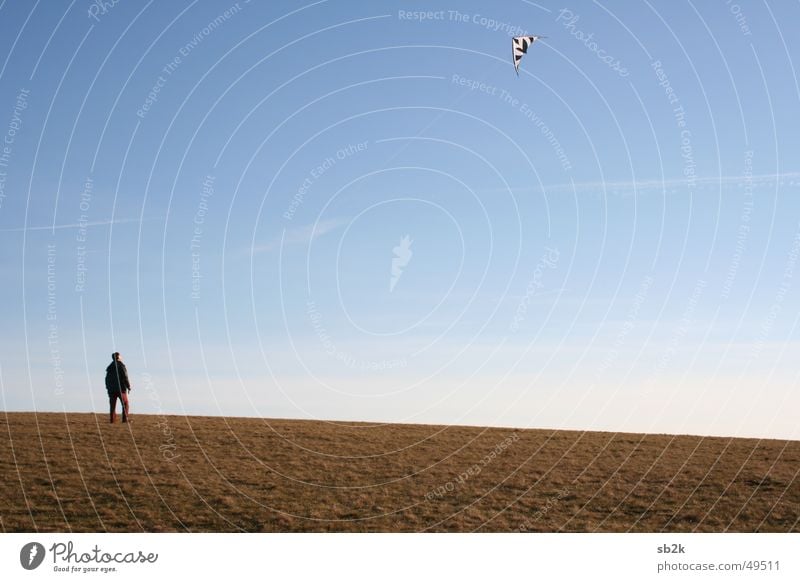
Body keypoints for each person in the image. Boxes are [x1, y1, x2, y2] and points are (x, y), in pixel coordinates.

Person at [105, 352, 131, 423]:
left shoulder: (109, 367)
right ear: (118, 357)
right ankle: (125, 420)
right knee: (125, 404)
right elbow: (125, 377)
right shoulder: (121, 365)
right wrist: (128, 386)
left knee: (112, 406)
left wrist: (108, 387)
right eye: (120, 356)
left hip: (111, 390)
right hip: (120, 389)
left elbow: (106, 379)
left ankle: (112, 421)